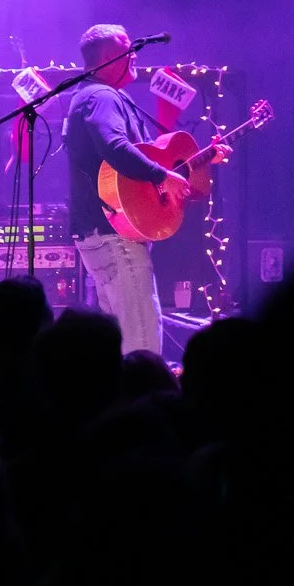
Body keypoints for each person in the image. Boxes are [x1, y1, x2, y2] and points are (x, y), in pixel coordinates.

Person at [64, 24, 223, 356]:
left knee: (118, 346)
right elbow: (115, 147)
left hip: (105, 232)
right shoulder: (102, 97)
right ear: (106, 59)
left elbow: (147, 160)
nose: (134, 55)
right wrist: (161, 175)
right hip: (114, 235)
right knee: (141, 345)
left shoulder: (105, 97)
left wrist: (197, 163)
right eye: (127, 49)